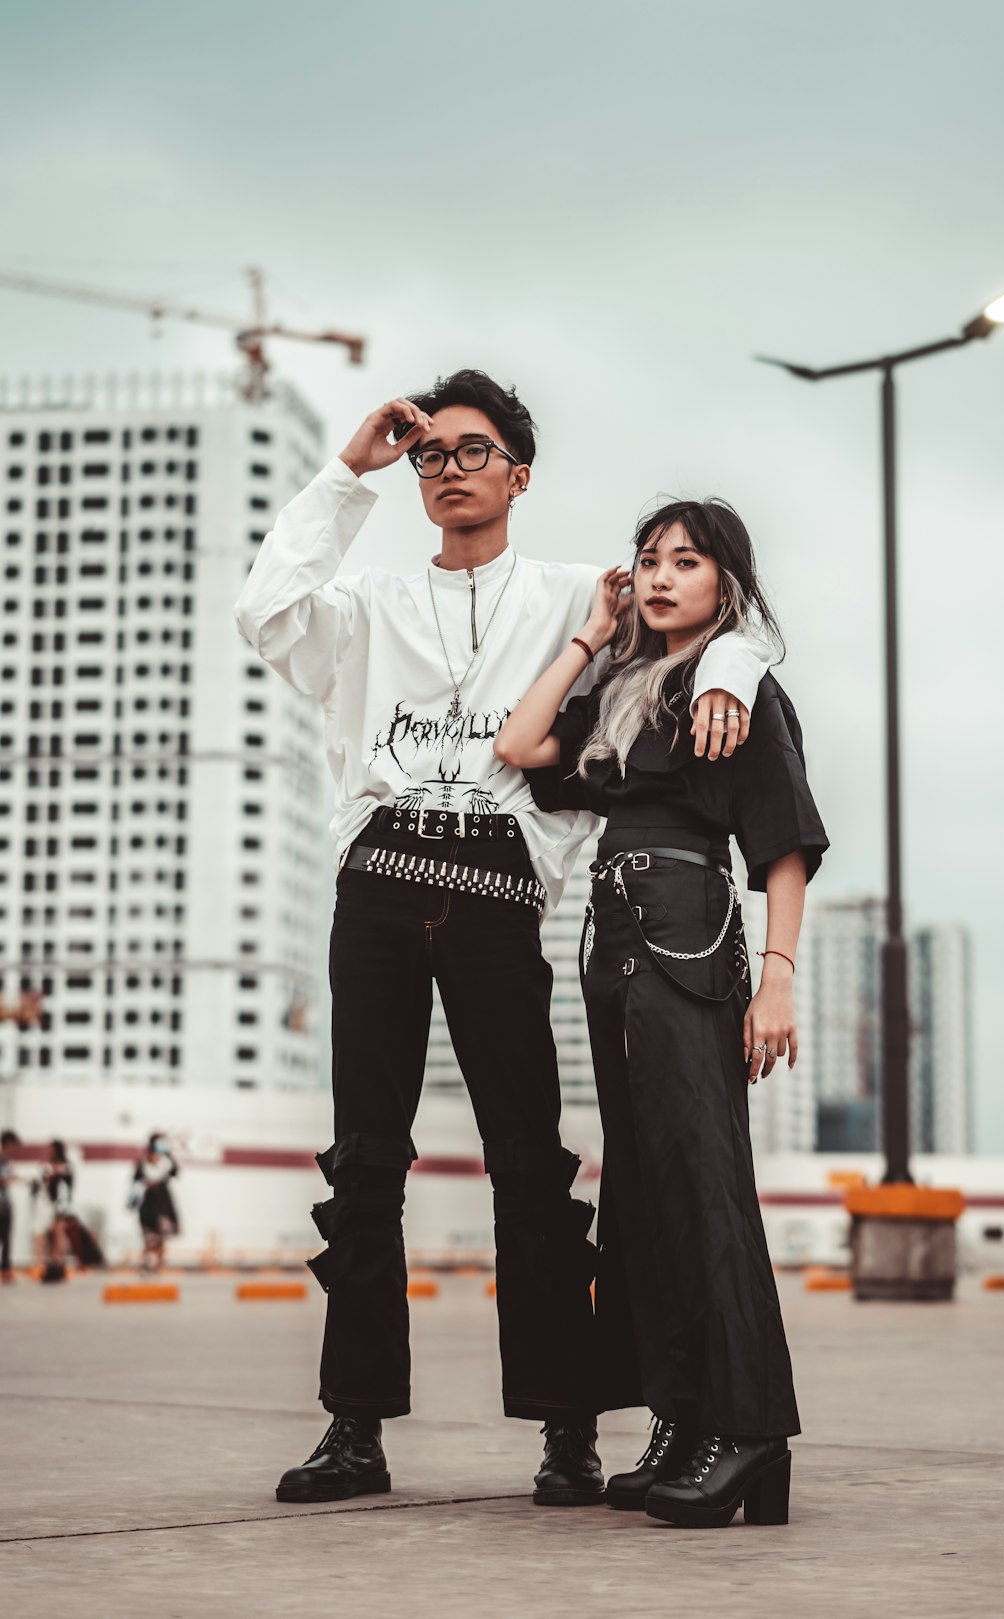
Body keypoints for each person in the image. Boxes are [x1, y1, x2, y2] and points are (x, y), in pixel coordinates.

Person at [234, 371, 771, 1507]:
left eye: (471, 451)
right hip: (379, 876)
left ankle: (567, 1427)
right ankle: (355, 1428)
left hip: (496, 887)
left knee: (531, 1162)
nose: (447, 470)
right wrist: (348, 473)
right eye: (430, 455)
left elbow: (723, 613)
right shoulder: (368, 601)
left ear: (519, 472)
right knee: (364, 1159)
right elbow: (265, 610)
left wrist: (726, 667)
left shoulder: (582, 589)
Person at [496, 496, 829, 1528]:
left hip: (690, 934)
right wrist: (591, 636)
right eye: (647, 559)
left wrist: (776, 977)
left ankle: (750, 1427)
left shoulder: (739, 691)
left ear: (724, 581)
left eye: (686, 561)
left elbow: (780, 842)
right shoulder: (630, 689)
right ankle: (684, 1418)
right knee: (641, 1191)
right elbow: (519, 741)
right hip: (617, 949)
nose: (660, 574)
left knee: (705, 1180)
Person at [130, 1134, 180, 1273]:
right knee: (149, 1238)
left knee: (161, 1238)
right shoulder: (142, 1165)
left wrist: (168, 1154)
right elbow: (135, 1182)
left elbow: (175, 1172)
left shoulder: (166, 1163)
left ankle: (157, 1264)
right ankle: (147, 1264)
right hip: (147, 1207)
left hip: (162, 1206)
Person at [32, 1140, 75, 1282]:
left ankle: (58, 1265)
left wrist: (55, 1173)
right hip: (50, 1203)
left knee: (59, 1234)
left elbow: (66, 1187)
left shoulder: (65, 1168)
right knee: (50, 1235)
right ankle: (51, 1264)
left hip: (60, 1204)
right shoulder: (48, 1166)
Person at [1, 1129, 21, 1282]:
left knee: (6, 1238)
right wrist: (7, 1179)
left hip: (6, 1204)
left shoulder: (8, 1161)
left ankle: (5, 1269)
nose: (15, 1150)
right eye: (14, 1146)